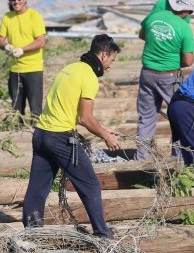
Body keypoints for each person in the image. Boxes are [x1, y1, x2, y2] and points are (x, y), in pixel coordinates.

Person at [22, 34, 121, 238]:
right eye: (112, 60)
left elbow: (72, 111)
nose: (110, 65)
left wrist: (103, 128)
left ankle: (31, 233)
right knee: (91, 184)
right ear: (104, 55)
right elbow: (85, 118)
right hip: (60, 138)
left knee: (38, 188)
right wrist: (106, 136)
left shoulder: (71, 68)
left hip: (41, 134)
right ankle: (103, 234)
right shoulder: (89, 76)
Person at [136, 0, 194, 161]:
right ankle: (177, 158)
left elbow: (142, 35)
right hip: (169, 77)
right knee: (178, 116)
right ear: (187, 12)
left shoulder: (154, 17)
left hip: (147, 73)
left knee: (146, 118)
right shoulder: (184, 27)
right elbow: (188, 60)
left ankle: (142, 158)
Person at [0, 0, 47, 118]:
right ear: (9, 1)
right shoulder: (7, 17)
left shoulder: (34, 16)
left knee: (36, 109)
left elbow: (41, 41)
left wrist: (23, 50)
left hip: (33, 69)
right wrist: (6, 46)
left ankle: (37, 135)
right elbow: (0, 39)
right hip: (15, 69)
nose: (16, 1)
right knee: (16, 110)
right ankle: (17, 134)